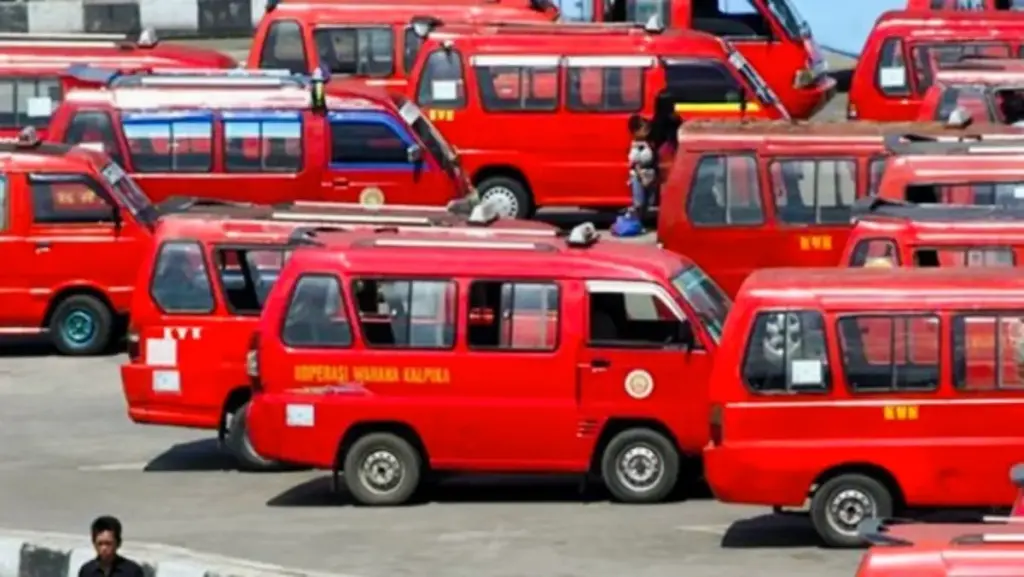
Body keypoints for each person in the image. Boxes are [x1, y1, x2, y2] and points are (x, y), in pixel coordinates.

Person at [78, 516, 143, 577]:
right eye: (100, 544)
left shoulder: (132, 571)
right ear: (93, 543)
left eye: (108, 543)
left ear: (118, 543)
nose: (104, 548)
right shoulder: (87, 571)